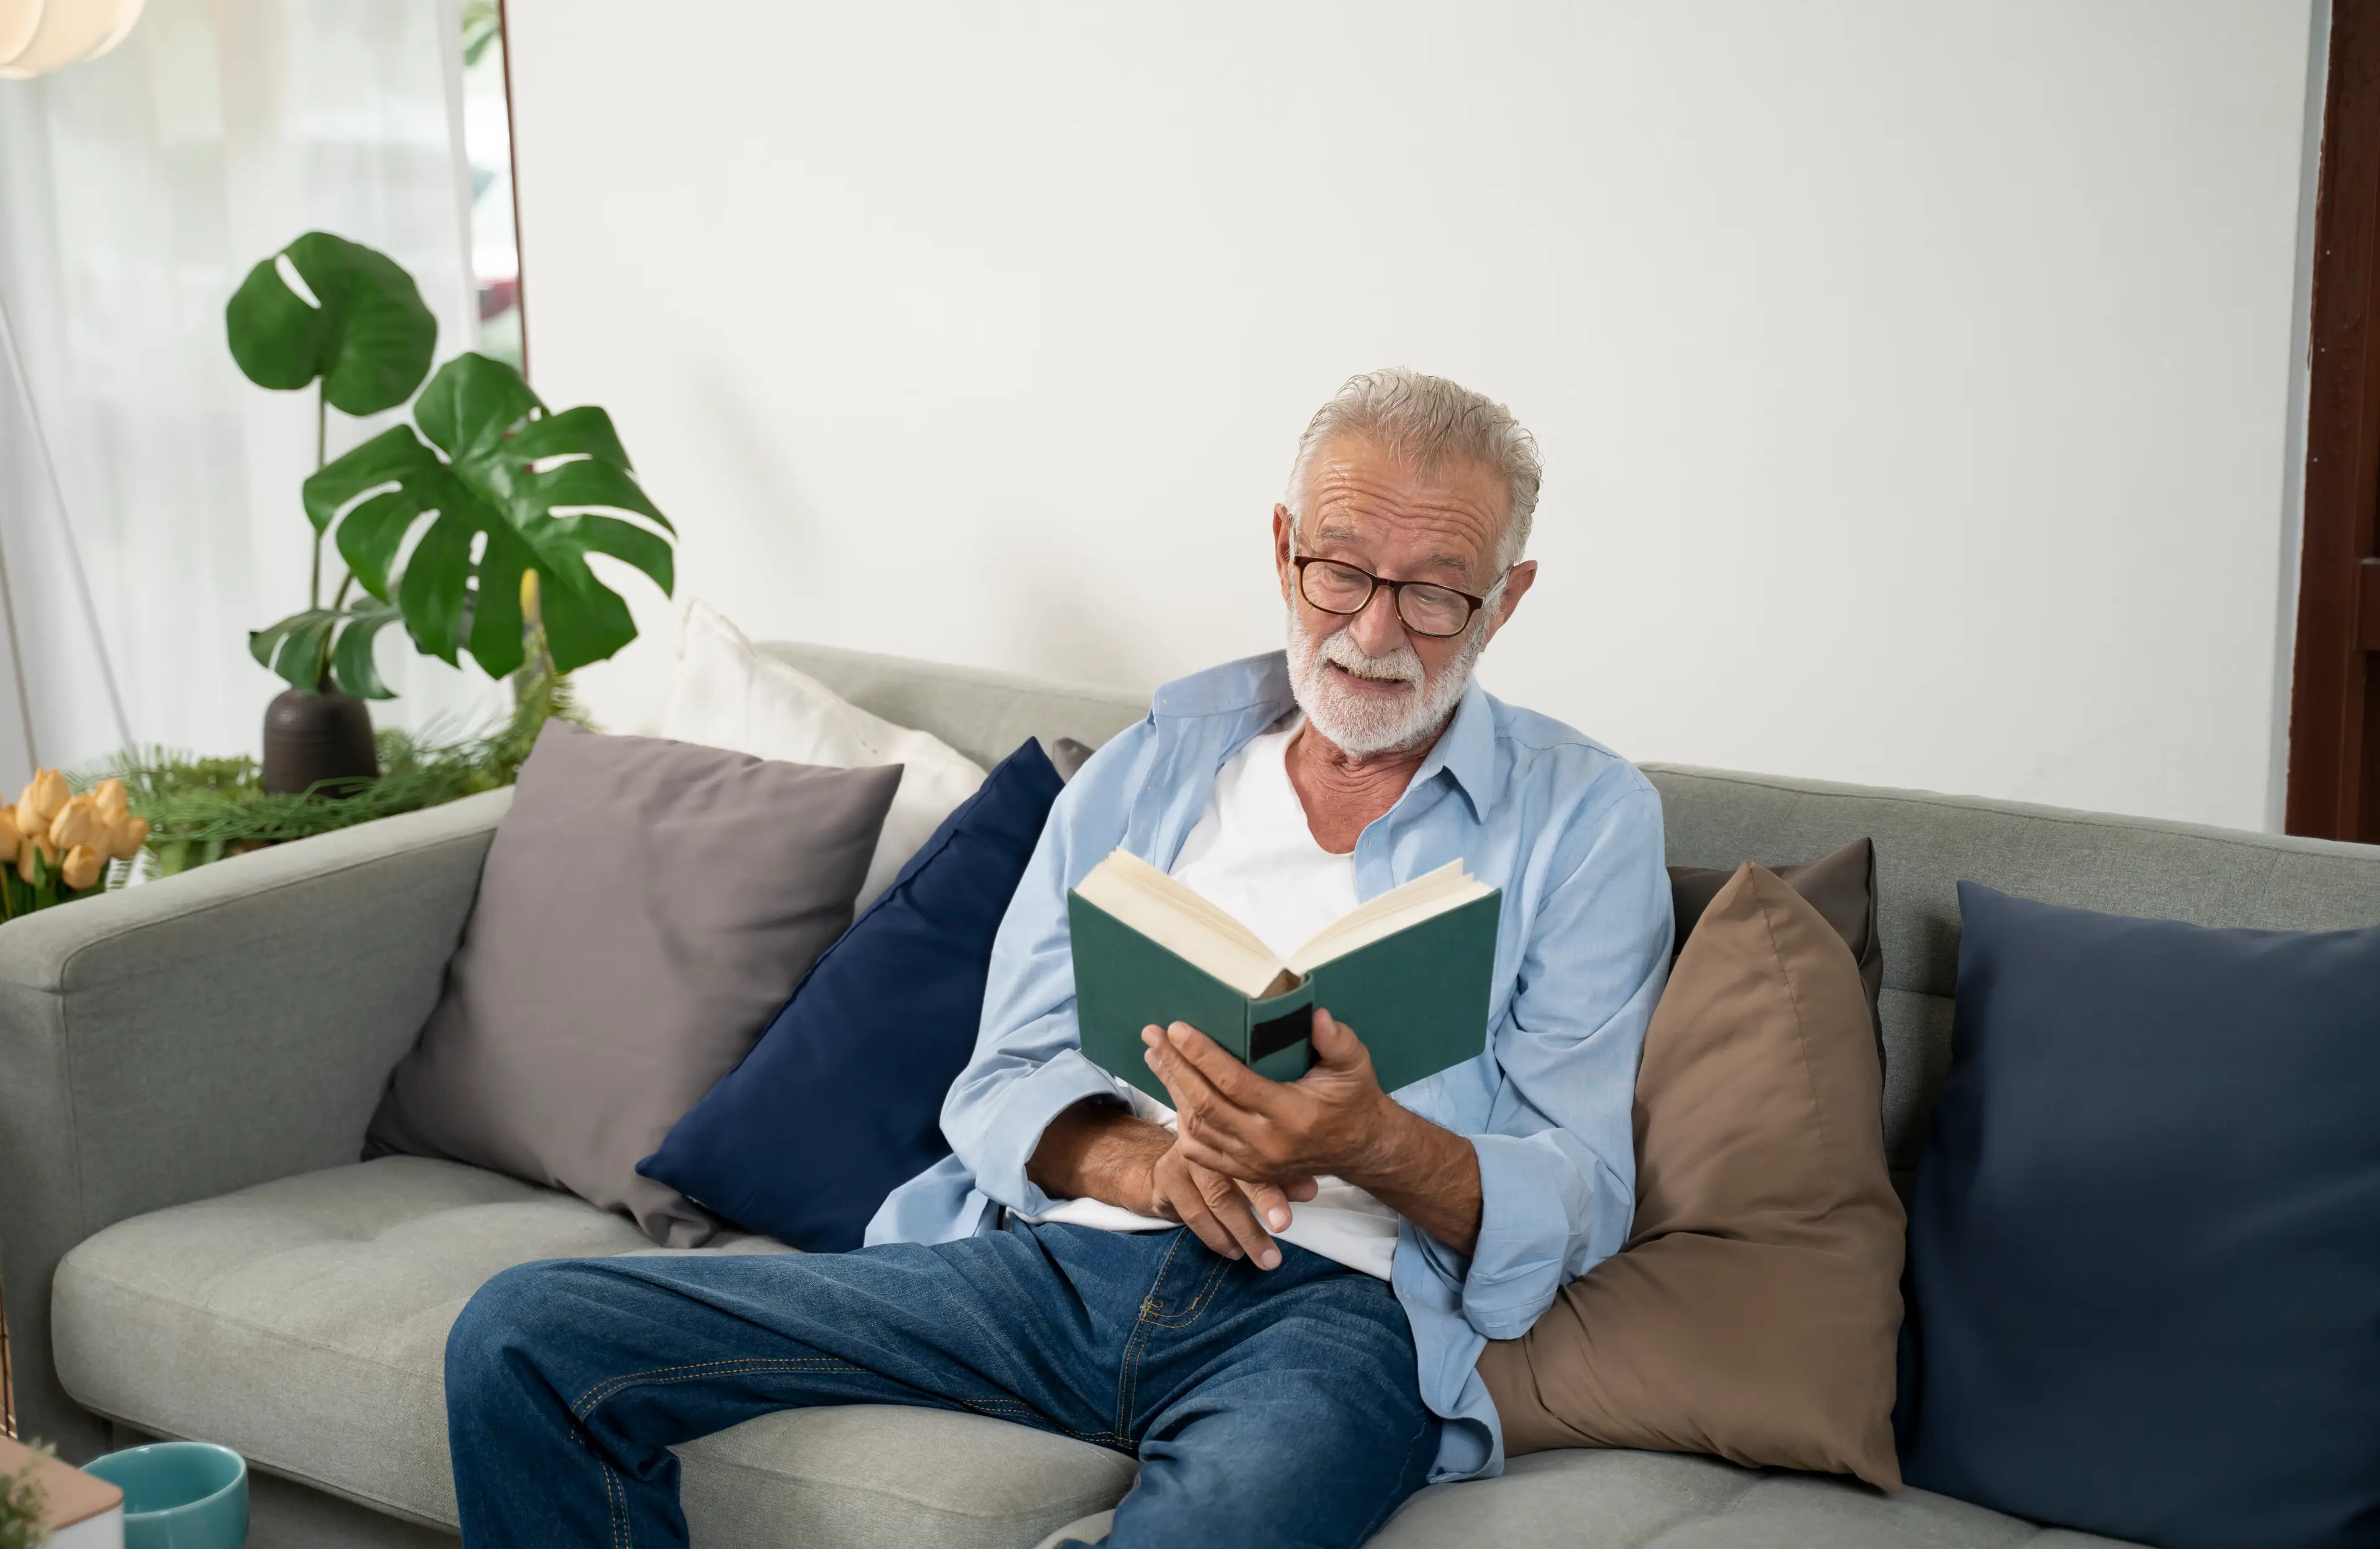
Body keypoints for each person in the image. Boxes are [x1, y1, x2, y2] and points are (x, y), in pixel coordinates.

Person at [444, 368, 1673, 1548]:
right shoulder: (1156, 763)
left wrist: (1369, 1142)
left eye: (1434, 591)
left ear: (1506, 599)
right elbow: (999, 1074)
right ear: (1285, 543)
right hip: (1052, 1266)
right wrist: (1140, 1163)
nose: (1370, 627)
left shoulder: (1584, 818)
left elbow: (1583, 1191)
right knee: (527, 1331)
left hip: (1335, 1311)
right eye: (1341, 569)